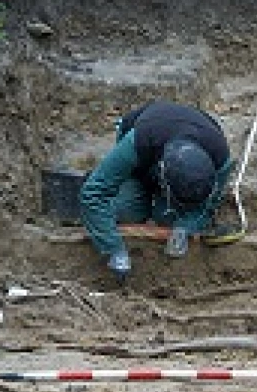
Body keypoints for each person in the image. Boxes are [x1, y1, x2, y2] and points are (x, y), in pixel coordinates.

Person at [80, 100, 234, 283]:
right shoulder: (139, 141)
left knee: (166, 218)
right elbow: (93, 193)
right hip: (143, 154)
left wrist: (187, 226)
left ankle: (165, 209)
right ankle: (112, 180)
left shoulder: (220, 158)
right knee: (129, 212)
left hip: (177, 150)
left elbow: (207, 205)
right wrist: (114, 250)